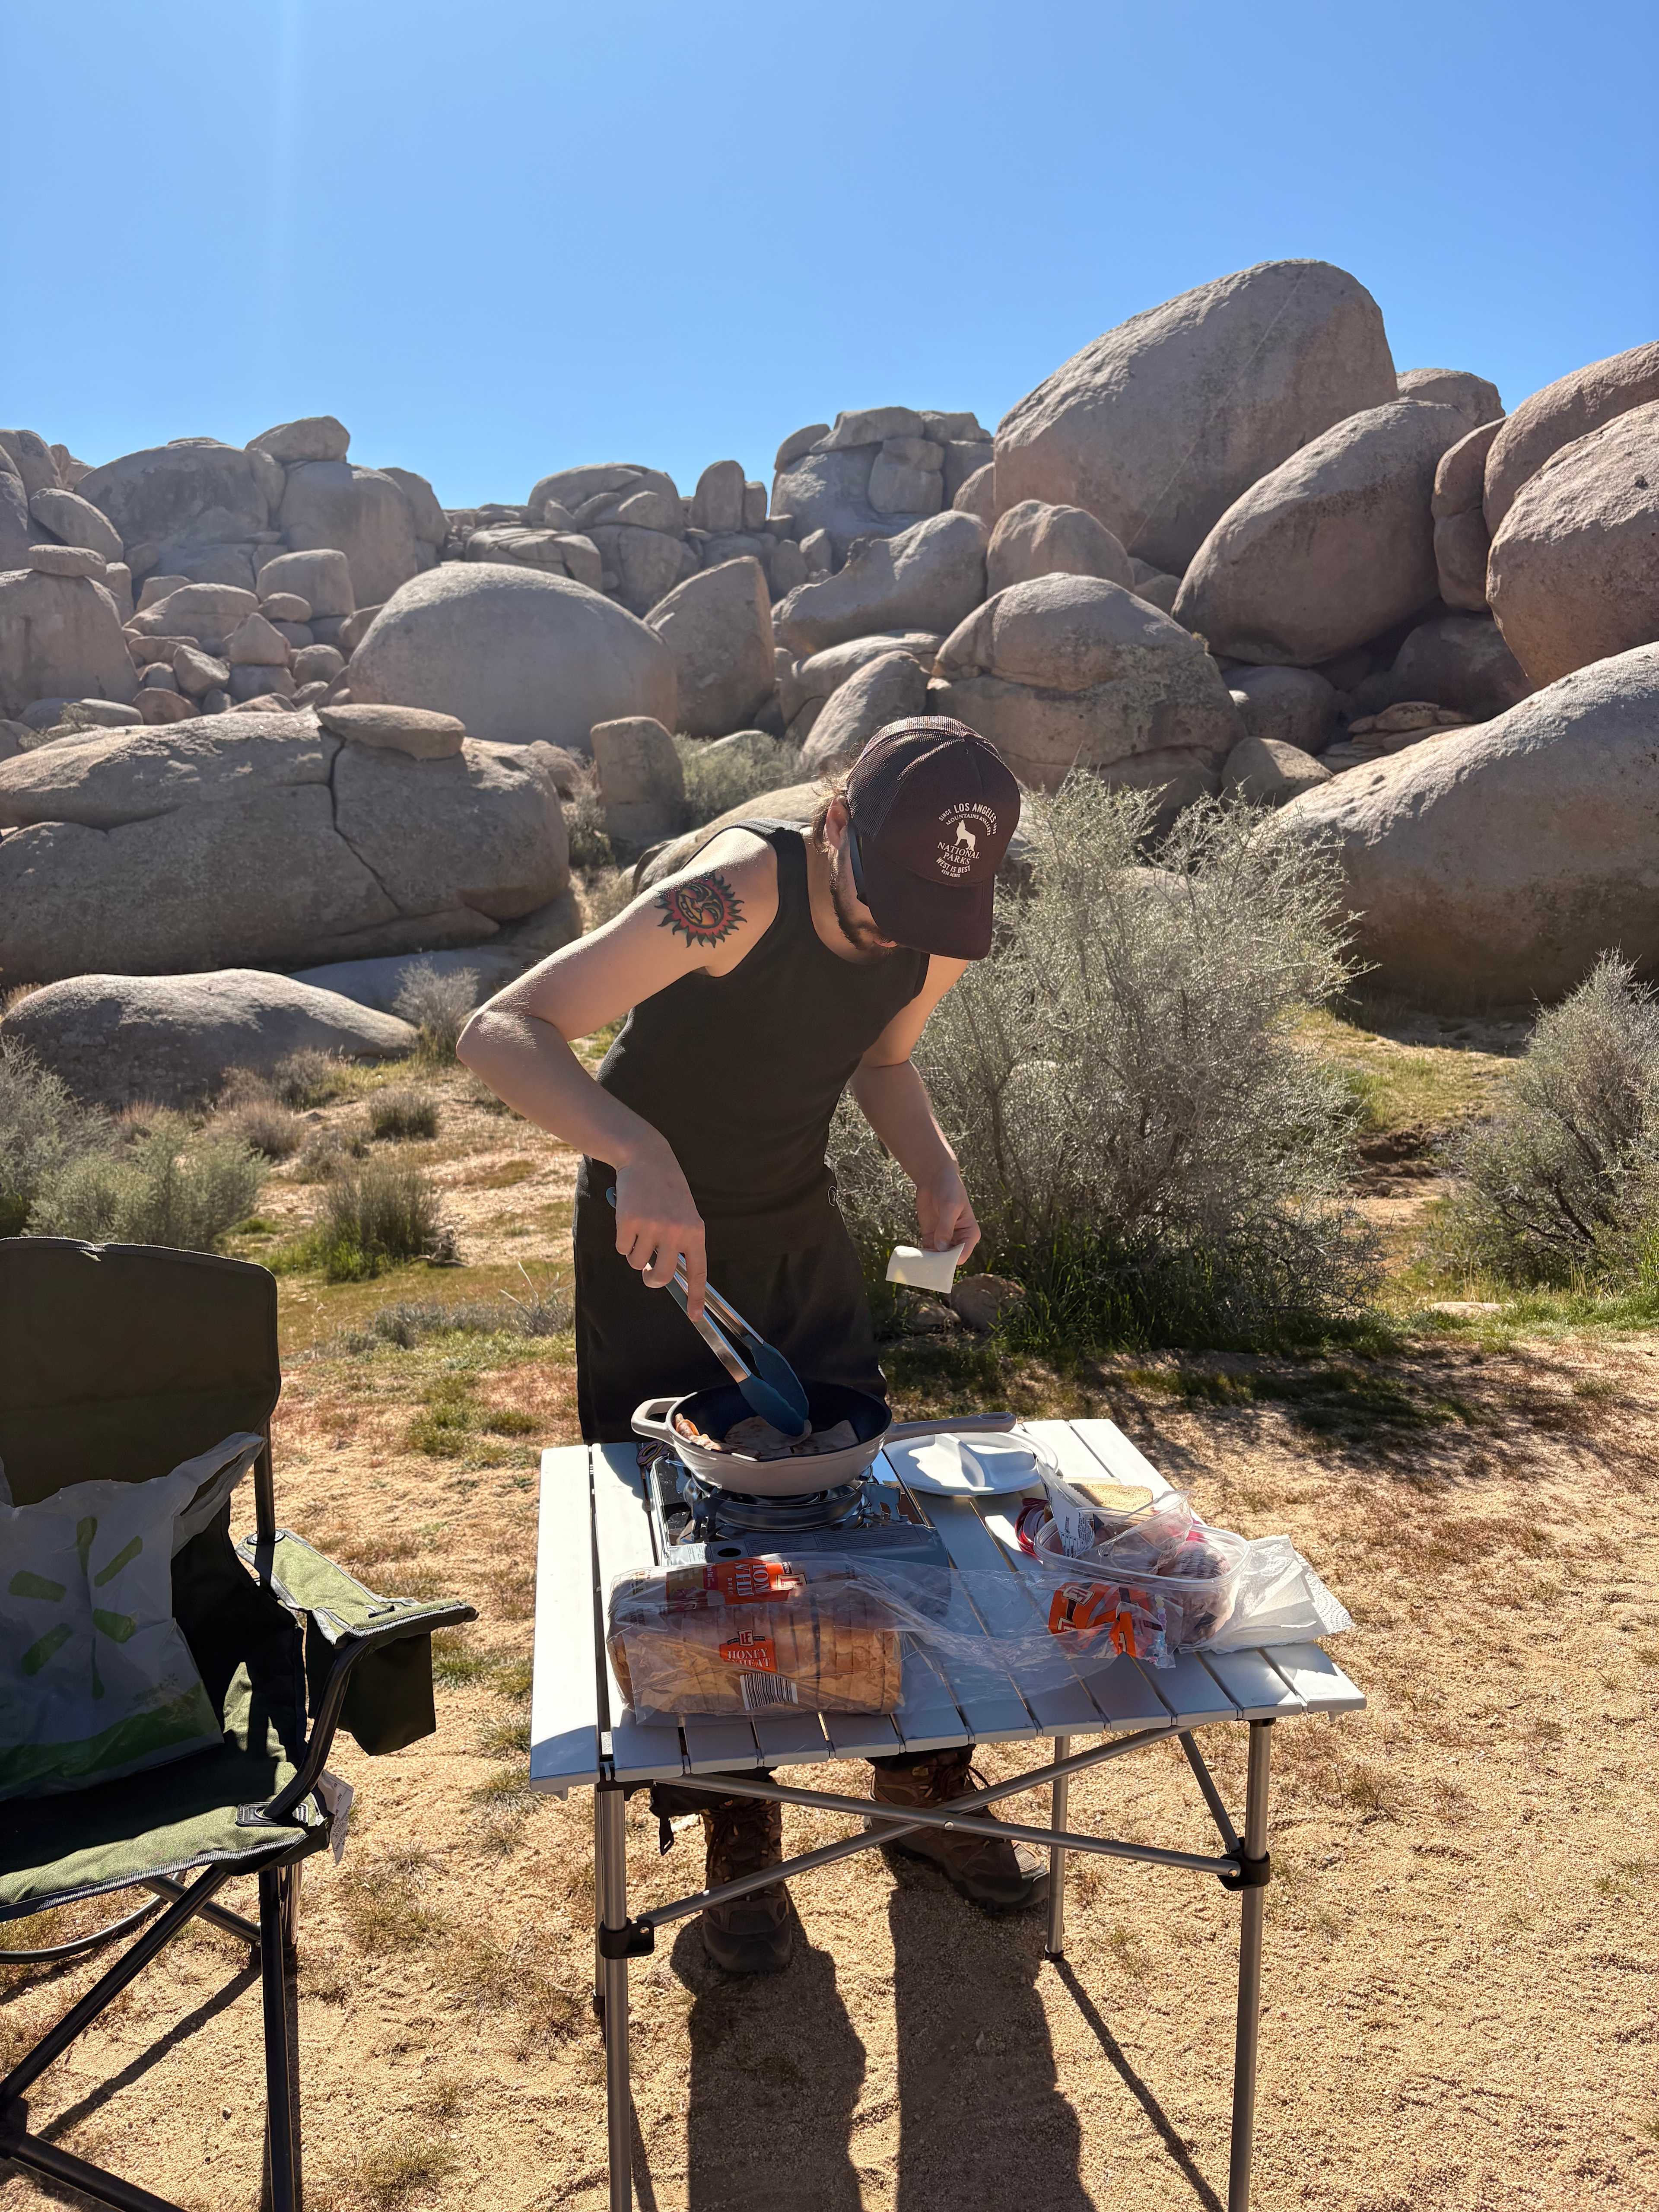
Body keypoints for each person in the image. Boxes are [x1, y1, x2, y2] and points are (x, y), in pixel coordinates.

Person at [458, 716, 1046, 1972]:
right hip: (657, 1251)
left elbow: (883, 1057)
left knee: (861, 1512)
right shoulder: (731, 895)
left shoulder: (926, 915)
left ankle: (922, 1785)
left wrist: (934, 1169)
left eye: (928, 909)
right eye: (880, 898)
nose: (899, 930)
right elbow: (504, 1029)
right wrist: (638, 1153)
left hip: (795, 1230)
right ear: (836, 823)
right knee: (692, 1547)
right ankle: (740, 1825)